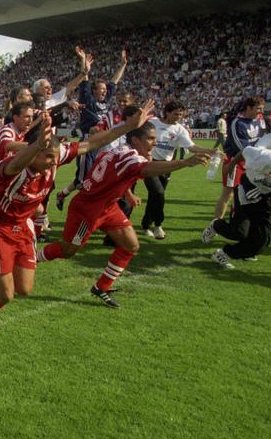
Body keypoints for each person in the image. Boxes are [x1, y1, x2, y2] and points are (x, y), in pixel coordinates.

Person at [0, 101, 157, 339]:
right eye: (46, 157)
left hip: (24, 228)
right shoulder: (12, 168)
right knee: (5, 295)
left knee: (25, 288)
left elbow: (93, 142)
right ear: (33, 153)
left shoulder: (52, 156)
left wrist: (128, 126)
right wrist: (36, 146)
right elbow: (17, 162)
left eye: (54, 157)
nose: (52, 163)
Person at [35, 117, 209, 308]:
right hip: (88, 211)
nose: (155, 142)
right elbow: (146, 169)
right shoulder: (131, 157)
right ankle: (31, 257)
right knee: (67, 251)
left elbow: (116, 175)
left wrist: (128, 192)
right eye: (150, 138)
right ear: (135, 140)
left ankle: (102, 286)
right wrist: (184, 163)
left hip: (107, 206)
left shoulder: (118, 151)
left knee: (131, 245)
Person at [206, 143, 271, 269]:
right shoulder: (267, 158)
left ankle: (223, 254)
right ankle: (216, 225)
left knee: (260, 243)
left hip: (270, 198)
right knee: (239, 233)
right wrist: (232, 165)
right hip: (248, 190)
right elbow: (245, 150)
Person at [54, 46, 128, 210]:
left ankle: (64, 194)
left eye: (104, 90)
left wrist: (123, 64)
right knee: (84, 180)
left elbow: (114, 81)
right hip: (88, 142)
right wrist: (83, 62)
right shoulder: (87, 97)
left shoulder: (105, 100)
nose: (104, 91)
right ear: (94, 91)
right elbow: (85, 78)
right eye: (100, 89)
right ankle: (83, 209)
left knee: (95, 177)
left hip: (103, 143)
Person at [140, 101, 215, 240]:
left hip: (167, 166)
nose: (178, 117)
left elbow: (191, 147)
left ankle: (145, 225)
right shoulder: (153, 122)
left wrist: (209, 151)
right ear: (167, 112)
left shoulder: (180, 129)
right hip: (150, 163)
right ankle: (158, 225)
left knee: (155, 196)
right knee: (158, 193)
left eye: (181, 114)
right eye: (175, 114)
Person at [211, 96, 266, 225]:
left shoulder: (260, 121)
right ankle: (215, 224)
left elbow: (264, 140)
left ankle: (238, 222)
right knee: (228, 194)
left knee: (248, 194)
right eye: (258, 109)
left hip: (253, 161)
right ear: (249, 108)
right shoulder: (237, 123)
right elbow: (240, 147)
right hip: (236, 162)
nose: (261, 112)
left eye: (262, 109)